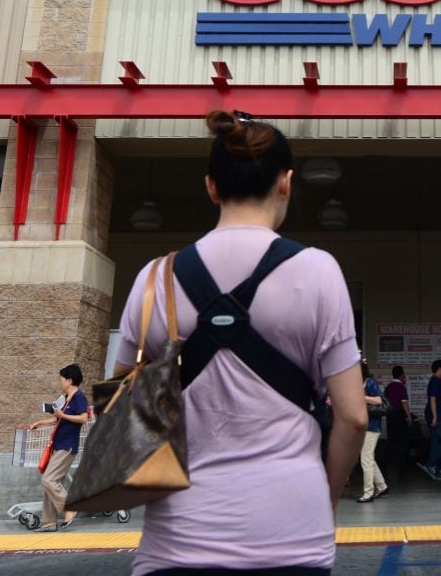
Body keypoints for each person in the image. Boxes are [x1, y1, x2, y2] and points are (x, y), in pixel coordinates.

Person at [112, 110, 365, 575]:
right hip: (292, 535)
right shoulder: (318, 270)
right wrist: (326, 496)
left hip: (176, 540)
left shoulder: (154, 279)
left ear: (211, 186)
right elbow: (352, 416)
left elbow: (124, 395)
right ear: (287, 182)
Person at [26, 364, 88, 531]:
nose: (59, 383)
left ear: (69, 380)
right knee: (51, 483)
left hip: (67, 446)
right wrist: (40, 423)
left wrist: (62, 415)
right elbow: (57, 420)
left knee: (49, 480)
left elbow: (83, 418)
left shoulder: (79, 398)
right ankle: (49, 522)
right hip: (58, 444)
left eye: (61, 379)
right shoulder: (67, 398)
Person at [357, 361, 389, 503]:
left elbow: (379, 400)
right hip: (361, 427)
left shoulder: (369, 383)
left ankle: (368, 493)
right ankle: (382, 486)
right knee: (368, 458)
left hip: (372, 427)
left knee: (365, 459)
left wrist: (362, 398)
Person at [419, 359, 441, 481]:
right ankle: (431, 464)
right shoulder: (435, 381)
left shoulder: (437, 381)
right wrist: (435, 416)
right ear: (439, 368)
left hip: (437, 415)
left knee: (437, 441)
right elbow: (432, 399)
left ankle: (434, 467)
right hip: (437, 416)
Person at [383, 366, 411, 481]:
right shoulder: (401, 387)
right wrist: (408, 416)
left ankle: (386, 466)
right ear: (401, 375)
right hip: (399, 416)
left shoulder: (388, 387)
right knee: (402, 441)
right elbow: (404, 403)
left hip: (390, 416)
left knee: (391, 441)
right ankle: (401, 467)